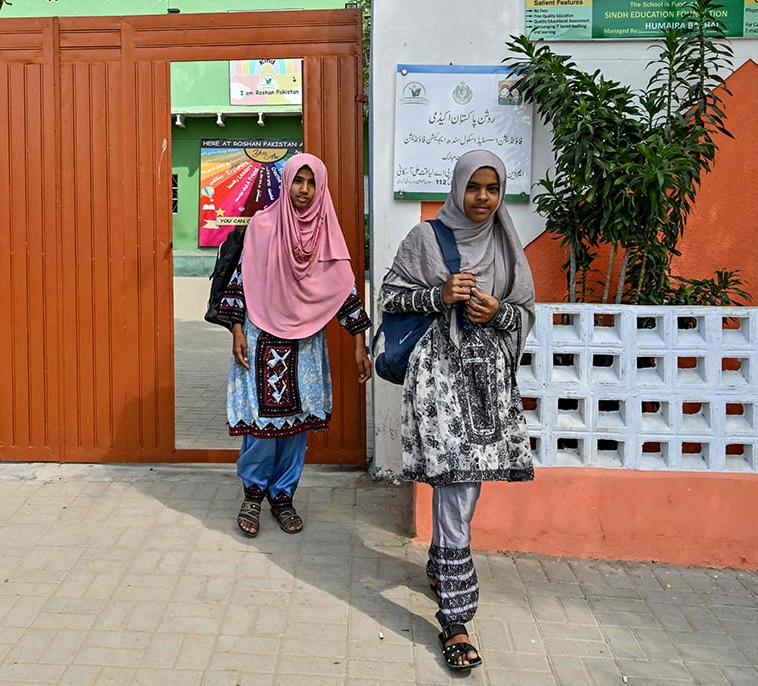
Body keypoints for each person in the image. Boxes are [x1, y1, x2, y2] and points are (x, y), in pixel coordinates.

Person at [379, 150, 536, 672]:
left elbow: (526, 312)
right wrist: (439, 294)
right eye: (475, 187)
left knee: (465, 489)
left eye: (493, 188)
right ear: (457, 187)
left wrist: (501, 310)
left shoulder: (505, 244)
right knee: (455, 483)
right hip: (439, 383)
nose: (484, 198)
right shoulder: (425, 239)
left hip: (486, 385)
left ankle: (440, 566)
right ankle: (456, 617)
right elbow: (390, 297)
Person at [214, 152, 372, 538]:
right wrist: (236, 329)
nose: (304, 190)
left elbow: (342, 290)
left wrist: (359, 342)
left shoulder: (325, 232)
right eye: (297, 181)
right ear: (286, 183)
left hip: (304, 344)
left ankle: (283, 497)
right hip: (258, 337)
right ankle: (253, 495)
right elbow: (241, 279)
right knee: (260, 422)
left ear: (321, 187)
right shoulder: (263, 226)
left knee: (295, 426)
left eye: (311, 182)